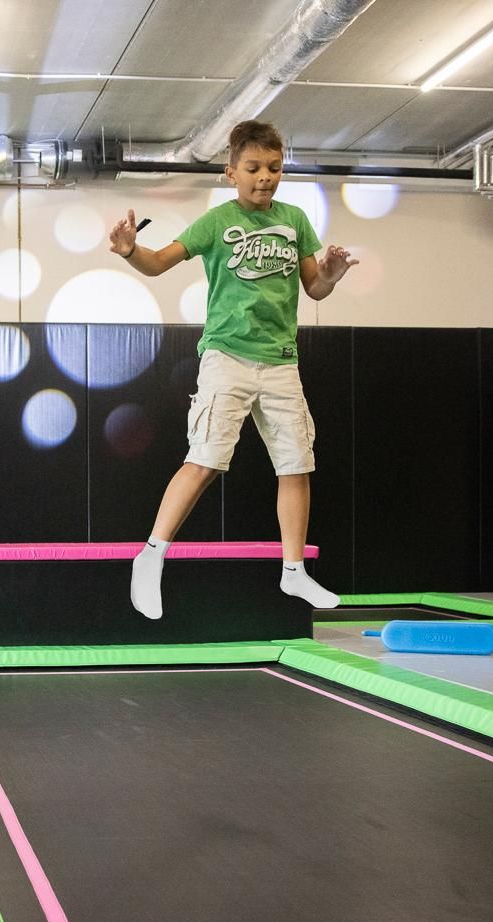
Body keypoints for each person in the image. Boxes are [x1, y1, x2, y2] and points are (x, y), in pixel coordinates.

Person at [109, 119, 357, 617]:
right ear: (231, 172)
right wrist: (130, 250)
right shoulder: (216, 223)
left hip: (281, 362)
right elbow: (158, 263)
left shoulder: (295, 220)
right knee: (203, 462)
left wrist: (332, 271)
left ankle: (294, 573)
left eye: (274, 167)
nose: (265, 176)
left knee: (296, 465)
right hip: (227, 357)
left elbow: (315, 288)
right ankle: (151, 557)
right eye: (253, 168)